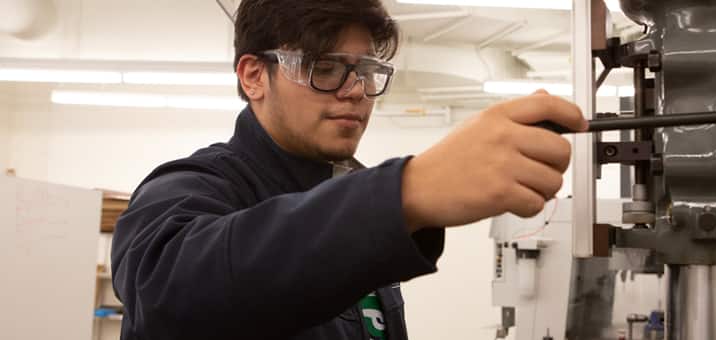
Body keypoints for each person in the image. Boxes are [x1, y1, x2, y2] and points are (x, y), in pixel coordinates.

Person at [110, 0, 587, 339]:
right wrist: (407, 192)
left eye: (365, 71)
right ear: (254, 76)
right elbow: (168, 295)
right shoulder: (190, 187)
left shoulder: (354, 199)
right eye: (324, 67)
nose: (356, 90)